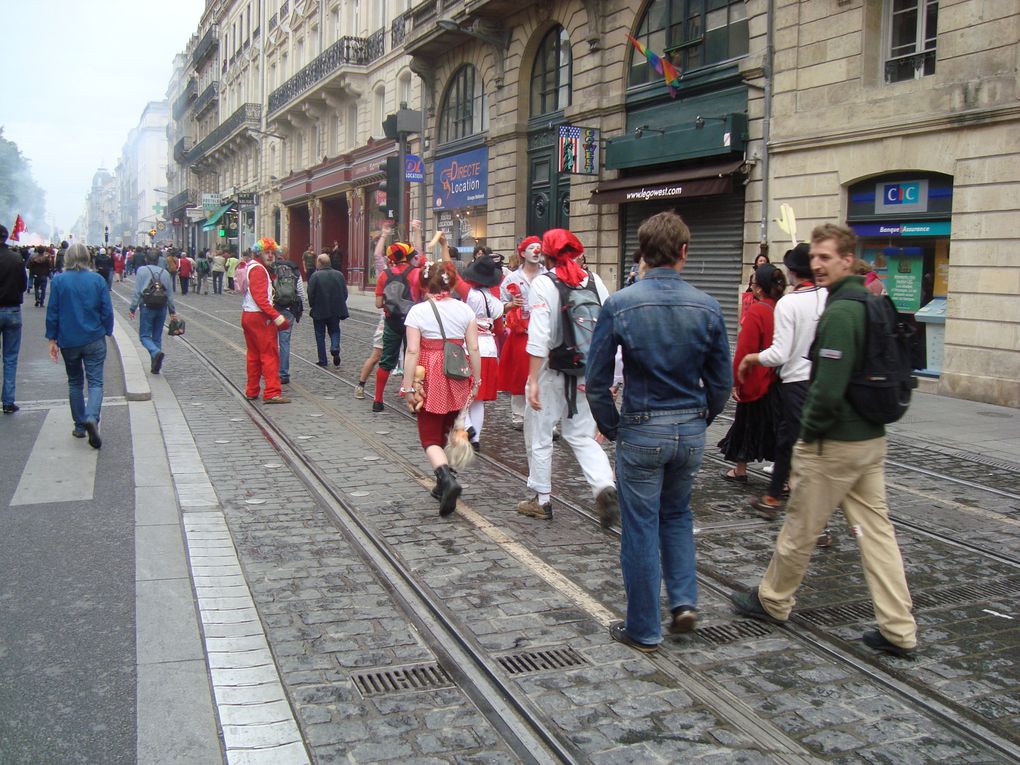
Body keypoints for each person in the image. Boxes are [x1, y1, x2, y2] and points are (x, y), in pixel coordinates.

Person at [730, 223, 918, 657]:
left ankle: (773, 601)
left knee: (800, 527)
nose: (817, 265)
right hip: (871, 439)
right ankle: (898, 629)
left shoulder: (842, 312)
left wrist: (806, 440)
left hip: (835, 443)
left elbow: (827, 388)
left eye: (826, 258)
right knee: (877, 534)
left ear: (847, 260)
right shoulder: (872, 301)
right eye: (814, 258)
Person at [587, 210, 731, 652]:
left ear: (642, 254)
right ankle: (684, 601)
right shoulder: (708, 306)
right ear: (684, 253)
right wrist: (700, 419)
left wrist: (614, 429)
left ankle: (644, 628)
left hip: (643, 428)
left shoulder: (620, 304)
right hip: (689, 429)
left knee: (641, 525)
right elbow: (723, 381)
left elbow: (596, 380)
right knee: (677, 514)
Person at [517, 228, 618, 526]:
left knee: (540, 433)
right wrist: (610, 375)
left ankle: (541, 499)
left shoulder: (543, 284)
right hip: (587, 369)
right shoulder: (596, 282)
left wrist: (533, 380)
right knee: (581, 435)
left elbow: (538, 337)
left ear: (546, 254)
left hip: (551, 370)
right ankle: (603, 486)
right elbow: (609, 328)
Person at [737, 243, 827, 518]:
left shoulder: (789, 303)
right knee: (804, 445)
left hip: (795, 383)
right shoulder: (827, 296)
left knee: (791, 443)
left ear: (792, 271)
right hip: (821, 381)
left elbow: (780, 353)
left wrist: (751, 359)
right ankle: (774, 496)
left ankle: (794, 507)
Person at [400, 261, 481, 516]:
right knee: (449, 427)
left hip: (430, 371)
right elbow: (474, 348)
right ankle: (443, 483)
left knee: (429, 437)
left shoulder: (418, 312)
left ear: (424, 285)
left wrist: (407, 387)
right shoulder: (465, 309)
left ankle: (446, 480)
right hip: (457, 369)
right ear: (452, 282)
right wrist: (476, 380)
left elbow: (412, 351)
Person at [718, 264, 786, 483]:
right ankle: (784, 476)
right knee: (776, 427)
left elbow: (744, 349)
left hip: (756, 377)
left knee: (746, 424)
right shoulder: (783, 308)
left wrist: (736, 381)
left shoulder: (757, 310)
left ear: (758, 288)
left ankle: (740, 469)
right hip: (779, 379)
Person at [45, 243, 114, 448]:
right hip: (94, 337)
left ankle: (79, 426)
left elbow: (53, 311)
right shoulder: (97, 280)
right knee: (95, 382)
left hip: (69, 339)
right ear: (87, 258)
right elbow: (107, 310)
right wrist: (107, 330)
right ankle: (92, 416)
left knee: (75, 382)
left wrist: (52, 338)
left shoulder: (58, 281)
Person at [498, 236, 546, 430]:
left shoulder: (549, 275)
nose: (536, 252)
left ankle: (545, 418)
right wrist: (510, 305)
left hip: (544, 331)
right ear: (523, 253)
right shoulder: (512, 278)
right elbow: (498, 306)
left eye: (539, 248)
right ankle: (518, 415)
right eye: (531, 248)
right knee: (519, 374)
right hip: (521, 333)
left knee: (544, 375)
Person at [459, 254, 505, 451]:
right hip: (489, 349)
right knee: (479, 398)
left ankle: (467, 425)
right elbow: (500, 331)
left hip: (469, 347)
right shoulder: (496, 303)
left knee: (461, 392)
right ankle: (475, 439)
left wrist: (444, 248)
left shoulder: (469, 294)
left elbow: (452, 276)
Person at [372, 241, 421, 413]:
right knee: (413, 358)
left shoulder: (384, 275)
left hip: (392, 321)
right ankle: (414, 401)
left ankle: (378, 400)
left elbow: (378, 303)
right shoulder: (416, 273)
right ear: (408, 255)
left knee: (386, 360)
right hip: (413, 323)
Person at [242, 241, 290, 403]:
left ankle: (252, 389)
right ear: (258, 253)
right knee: (269, 355)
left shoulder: (252, 266)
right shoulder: (259, 270)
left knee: (254, 355)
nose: (270, 255)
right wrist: (276, 316)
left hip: (249, 315)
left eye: (272, 252)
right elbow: (260, 298)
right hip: (260, 318)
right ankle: (272, 392)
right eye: (266, 252)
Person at [129, 251, 179, 374]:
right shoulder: (165, 273)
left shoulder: (142, 271)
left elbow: (137, 292)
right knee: (157, 337)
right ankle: (155, 366)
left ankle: (156, 353)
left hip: (147, 306)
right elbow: (169, 295)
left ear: (146, 259)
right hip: (162, 307)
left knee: (144, 336)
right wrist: (172, 311)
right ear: (158, 260)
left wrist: (132, 308)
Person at [0, 225, 27, 413]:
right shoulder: (16, 258)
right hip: (12, 310)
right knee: (10, 358)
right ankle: (8, 402)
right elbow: (23, 285)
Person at [271, 248, 307, 385]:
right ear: (287, 255)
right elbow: (301, 293)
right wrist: (299, 310)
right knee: (284, 342)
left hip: (273, 310)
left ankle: (270, 370)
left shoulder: (271, 269)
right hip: (289, 310)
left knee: (271, 341)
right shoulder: (294, 269)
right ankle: (284, 374)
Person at [307, 254, 349, 367]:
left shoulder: (315, 276)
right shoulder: (339, 275)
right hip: (335, 310)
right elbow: (345, 293)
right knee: (335, 330)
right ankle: (335, 347)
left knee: (320, 334)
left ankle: (322, 360)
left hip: (320, 310)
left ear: (320, 262)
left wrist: (312, 305)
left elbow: (310, 293)